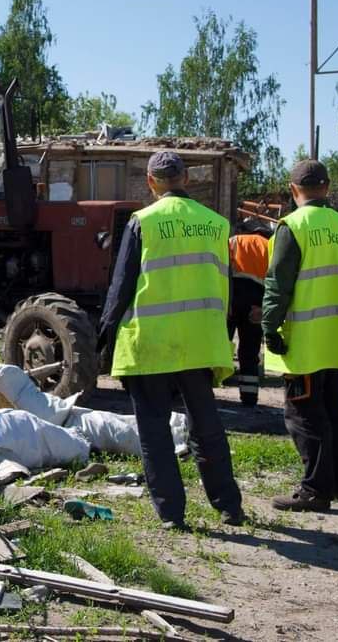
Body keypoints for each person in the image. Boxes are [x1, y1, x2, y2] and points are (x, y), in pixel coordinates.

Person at [99, 150, 244, 530]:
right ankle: (229, 505)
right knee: (207, 427)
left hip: (152, 344)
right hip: (200, 342)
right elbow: (224, 282)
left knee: (155, 431)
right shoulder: (216, 224)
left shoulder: (142, 222)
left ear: (150, 183)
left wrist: (106, 331)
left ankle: (171, 514)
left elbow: (121, 284)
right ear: (186, 180)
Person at [263, 160, 338, 512]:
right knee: (335, 411)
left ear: (293, 190)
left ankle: (315, 490)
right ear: (328, 187)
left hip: (304, 339)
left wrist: (269, 327)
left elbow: (278, 283)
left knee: (303, 413)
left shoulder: (292, 226)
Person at [227, 221, 270, 406]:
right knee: (250, 351)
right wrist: (263, 308)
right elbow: (274, 281)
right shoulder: (269, 246)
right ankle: (249, 397)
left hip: (232, 297)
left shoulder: (232, 241)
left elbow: (223, 271)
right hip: (255, 302)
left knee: (221, 345)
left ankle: (210, 388)